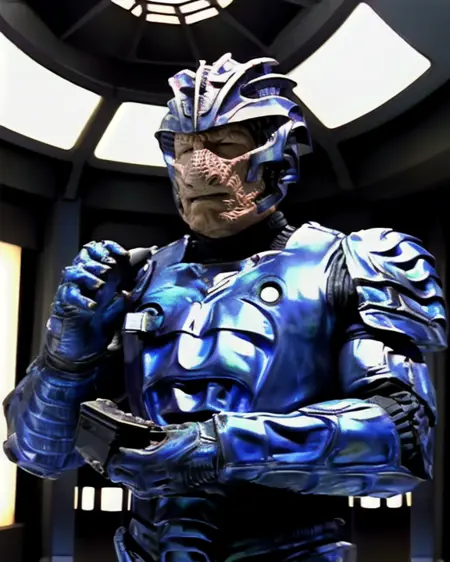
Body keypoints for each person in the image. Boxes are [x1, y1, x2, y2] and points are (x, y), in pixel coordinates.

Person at [3, 53, 447, 562]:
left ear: (278, 153)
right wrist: (65, 360)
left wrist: (220, 447)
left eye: (223, 145)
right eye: (185, 147)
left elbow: (403, 440)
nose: (197, 168)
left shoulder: (351, 262)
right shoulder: (140, 276)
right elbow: (39, 454)